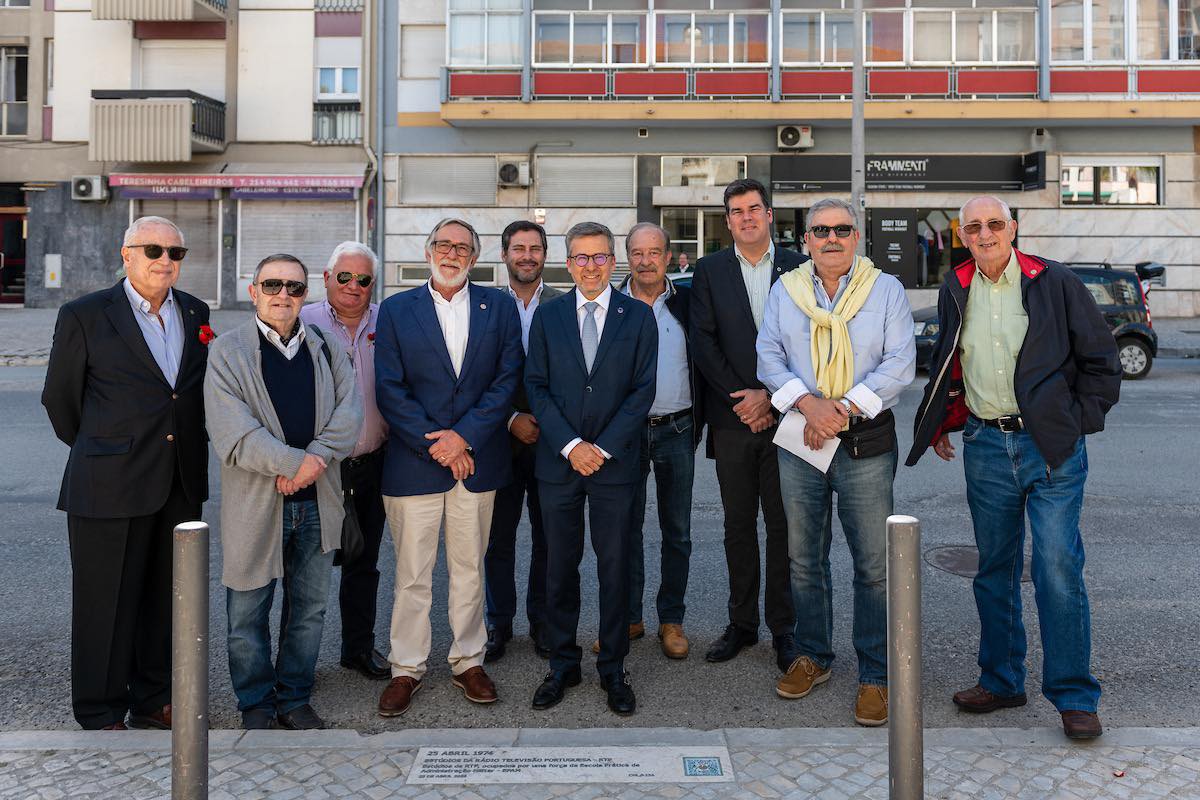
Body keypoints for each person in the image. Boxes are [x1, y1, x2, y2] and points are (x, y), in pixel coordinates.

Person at [907, 195, 1121, 740]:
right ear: (962, 235)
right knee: (994, 568)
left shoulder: (1055, 281)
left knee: (1056, 567)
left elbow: (1101, 359)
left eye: (995, 224)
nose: (986, 234)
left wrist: (1074, 421)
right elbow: (950, 359)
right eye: (974, 227)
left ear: (1014, 228)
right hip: (985, 444)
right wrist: (942, 420)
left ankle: (1074, 696)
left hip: (1050, 447)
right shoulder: (956, 285)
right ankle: (1001, 681)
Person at [42, 216, 210, 731]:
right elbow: (61, 400)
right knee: (106, 602)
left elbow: (186, 394)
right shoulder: (85, 314)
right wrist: (105, 450)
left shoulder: (195, 311)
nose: (165, 261)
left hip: (178, 480)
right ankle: (100, 708)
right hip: (108, 483)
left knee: (166, 599)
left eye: (175, 253)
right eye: (153, 250)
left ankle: (154, 698)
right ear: (127, 254)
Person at [756, 198, 916, 726]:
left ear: (856, 237)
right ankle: (814, 655)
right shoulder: (786, 290)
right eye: (821, 230)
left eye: (842, 229)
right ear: (805, 240)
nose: (831, 238)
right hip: (802, 437)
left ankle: (876, 674)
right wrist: (809, 405)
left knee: (874, 567)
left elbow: (900, 364)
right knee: (804, 559)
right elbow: (768, 357)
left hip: (864, 440)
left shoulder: (886, 289)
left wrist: (839, 410)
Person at [204, 254, 361, 730]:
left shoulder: (326, 347)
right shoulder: (227, 351)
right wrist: (297, 464)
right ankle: (255, 703)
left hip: (317, 504)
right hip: (257, 505)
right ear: (254, 291)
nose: (283, 295)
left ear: (305, 295)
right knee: (247, 611)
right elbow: (234, 433)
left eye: (294, 287)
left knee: (309, 611)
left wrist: (311, 465)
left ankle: (294, 697)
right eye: (272, 284)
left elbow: (349, 416)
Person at [374, 218, 523, 717]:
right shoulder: (397, 310)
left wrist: (464, 437)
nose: (452, 253)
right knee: (412, 574)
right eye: (443, 244)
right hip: (415, 464)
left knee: (469, 569)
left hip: (475, 461)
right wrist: (439, 446)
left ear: (475, 257)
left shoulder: (498, 307)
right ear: (428, 251)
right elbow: (389, 388)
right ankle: (406, 668)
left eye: (462, 247)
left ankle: (468, 661)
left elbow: (506, 380)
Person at [525, 221, 657, 715]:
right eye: (581, 258)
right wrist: (571, 445)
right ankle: (562, 664)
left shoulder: (637, 316)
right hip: (558, 464)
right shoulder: (548, 316)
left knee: (614, 568)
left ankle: (613, 668)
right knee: (559, 568)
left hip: (613, 465)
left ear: (613, 262)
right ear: (568, 263)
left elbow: (642, 391)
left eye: (600, 257)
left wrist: (599, 448)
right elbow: (536, 386)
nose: (591, 266)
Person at [689, 178, 804, 672]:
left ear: (769, 214)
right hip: (733, 417)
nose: (747, 217)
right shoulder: (709, 270)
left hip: (790, 415)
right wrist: (744, 399)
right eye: (737, 211)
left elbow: (811, 343)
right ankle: (741, 623)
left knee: (783, 526)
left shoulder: (800, 266)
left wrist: (772, 399)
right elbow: (703, 341)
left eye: (754, 208)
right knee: (737, 525)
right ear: (728, 221)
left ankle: (784, 628)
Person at [607, 221, 704, 660]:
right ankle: (629, 618)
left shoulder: (688, 303)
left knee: (676, 530)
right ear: (626, 258)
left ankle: (671, 619)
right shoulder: (611, 305)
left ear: (667, 257)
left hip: (677, 429)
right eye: (637, 253)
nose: (645, 262)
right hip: (624, 434)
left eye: (653, 253)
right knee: (625, 529)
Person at [299, 242, 390, 681]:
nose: (354, 286)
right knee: (308, 567)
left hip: (373, 462)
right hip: (319, 467)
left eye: (364, 279)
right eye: (345, 277)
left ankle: (358, 649)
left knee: (363, 563)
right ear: (326, 278)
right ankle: (298, 665)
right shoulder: (302, 321)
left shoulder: (388, 321)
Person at [483, 220, 563, 663]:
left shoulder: (565, 303)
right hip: (500, 439)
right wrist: (511, 418)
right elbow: (475, 375)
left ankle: (542, 621)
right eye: (519, 248)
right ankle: (499, 622)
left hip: (552, 441)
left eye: (535, 248)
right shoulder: (486, 305)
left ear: (545, 255)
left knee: (549, 537)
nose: (527, 256)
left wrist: (550, 424)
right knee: (498, 539)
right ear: (504, 254)